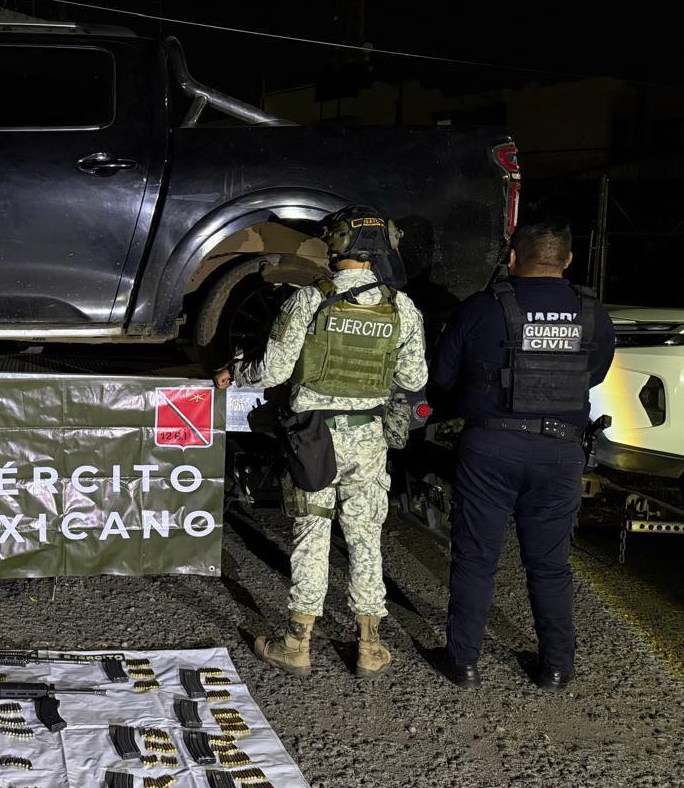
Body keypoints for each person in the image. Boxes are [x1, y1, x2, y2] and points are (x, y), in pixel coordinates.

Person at [216, 206, 427, 677]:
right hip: (368, 435)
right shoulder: (401, 307)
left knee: (312, 533)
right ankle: (370, 646)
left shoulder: (310, 300)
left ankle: (296, 644)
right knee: (365, 537)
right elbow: (414, 378)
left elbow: (273, 371)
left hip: (314, 436)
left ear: (337, 243)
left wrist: (236, 371)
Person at [429, 216, 615, 691]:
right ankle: (556, 668)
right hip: (560, 451)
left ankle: (463, 663)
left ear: (512, 258)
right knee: (550, 565)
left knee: (476, 559)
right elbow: (593, 374)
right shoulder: (593, 313)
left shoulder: (481, 307)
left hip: (491, 448)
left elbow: (442, 379)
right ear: (567, 260)